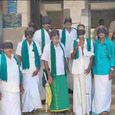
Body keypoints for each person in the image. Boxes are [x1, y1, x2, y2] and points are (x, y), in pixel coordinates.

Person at [41, 30, 70, 114]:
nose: (56, 40)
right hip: (54, 74)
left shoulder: (62, 46)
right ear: (51, 39)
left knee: (63, 93)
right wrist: (49, 76)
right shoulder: (47, 47)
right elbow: (45, 62)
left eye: (57, 38)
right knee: (55, 93)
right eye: (54, 38)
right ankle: (55, 110)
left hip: (62, 74)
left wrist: (67, 69)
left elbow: (64, 59)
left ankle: (64, 108)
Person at [16, 27, 42, 115]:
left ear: (33, 36)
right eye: (27, 36)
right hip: (25, 71)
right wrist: (19, 71)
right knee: (26, 90)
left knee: (34, 90)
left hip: (35, 71)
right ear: (25, 36)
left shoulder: (37, 45)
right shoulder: (20, 45)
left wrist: (38, 69)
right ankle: (26, 109)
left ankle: (33, 107)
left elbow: (39, 58)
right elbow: (19, 59)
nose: (29, 38)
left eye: (30, 36)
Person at [71, 24, 93, 115]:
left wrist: (89, 68)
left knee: (86, 89)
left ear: (84, 32)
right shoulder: (74, 42)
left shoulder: (89, 41)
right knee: (77, 90)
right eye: (79, 31)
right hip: (76, 70)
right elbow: (72, 56)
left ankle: (86, 110)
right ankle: (78, 111)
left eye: (82, 31)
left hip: (85, 69)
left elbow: (92, 56)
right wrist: (77, 47)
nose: (81, 33)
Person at [92, 26, 115, 115]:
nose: (101, 34)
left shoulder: (110, 43)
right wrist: (92, 70)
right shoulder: (95, 43)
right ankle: (96, 109)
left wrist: (112, 69)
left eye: (102, 33)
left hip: (106, 70)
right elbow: (93, 57)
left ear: (105, 33)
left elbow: (113, 56)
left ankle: (105, 109)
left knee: (106, 90)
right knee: (97, 91)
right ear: (97, 34)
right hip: (97, 70)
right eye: (99, 33)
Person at [0, 41, 22, 115]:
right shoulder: (0, 59)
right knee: (6, 109)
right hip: (5, 90)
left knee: (16, 108)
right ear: (3, 49)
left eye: (10, 48)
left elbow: (19, 73)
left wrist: (21, 85)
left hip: (16, 89)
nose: (9, 49)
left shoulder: (15, 59)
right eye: (7, 48)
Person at [33, 16, 51, 101]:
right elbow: (35, 47)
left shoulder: (51, 33)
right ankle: (42, 97)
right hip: (40, 60)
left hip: (49, 60)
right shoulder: (37, 33)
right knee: (41, 78)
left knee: (49, 77)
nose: (47, 25)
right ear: (43, 25)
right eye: (45, 24)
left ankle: (49, 97)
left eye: (48, 24)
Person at [60, 17, 77, 92]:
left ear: (71, 24)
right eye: (66, 24)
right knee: (67, 71)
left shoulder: (75, 31)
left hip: (74, 54)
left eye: (69, 24)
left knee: (73, 70)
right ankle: (68, 87)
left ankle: (73, 87)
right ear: (64, 24)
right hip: (65, 54)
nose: (68, 25)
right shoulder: (62, 32)